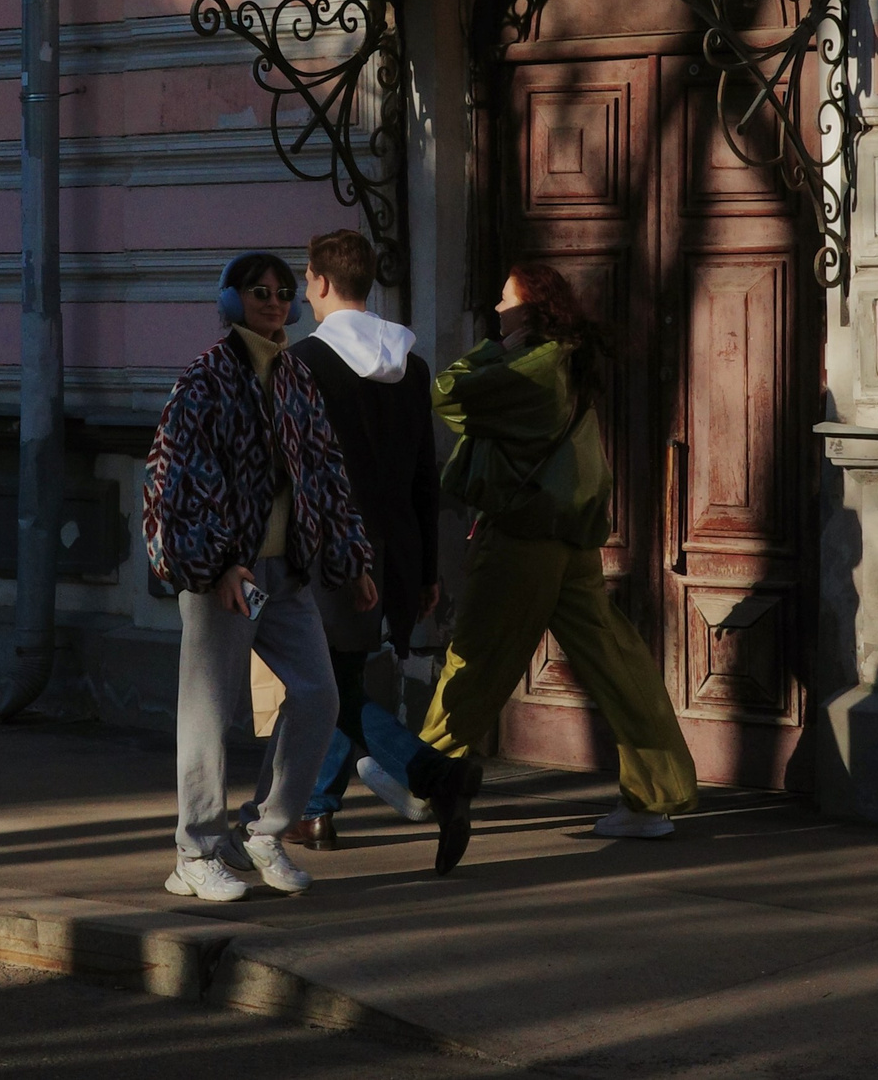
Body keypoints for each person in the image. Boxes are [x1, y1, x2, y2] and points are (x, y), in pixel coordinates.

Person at [418, 260, 699, 863]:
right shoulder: (559, 362)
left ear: (530, 309)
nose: (495, 311)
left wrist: (496, 348)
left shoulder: (531, 369)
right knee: (614, 660)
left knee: (477, 654)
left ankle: (422, 770)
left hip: (525, 536)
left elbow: (447, 391)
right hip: (568, 539)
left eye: (503, 300)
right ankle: (655, 795)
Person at [142, 250, 379, 903]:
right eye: (258, 291)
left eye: (281, 291)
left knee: (318, 695)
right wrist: (217, 562)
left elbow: (327, 470)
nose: (273, 301)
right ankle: (195, 850)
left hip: (289, 569)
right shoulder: (206, 379)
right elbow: (177, 475)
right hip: (228, 570)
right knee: (209, 712)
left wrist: (353, 557)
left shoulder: (296, 377)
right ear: (231, 299)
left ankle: (263, 828)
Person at [268, 229, 478, 856]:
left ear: (323, 282)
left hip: (327, 549)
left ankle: (433, 774)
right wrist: (426, 568)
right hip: (395, 547)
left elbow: (292, 468)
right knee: (341, 675)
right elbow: (423, 471)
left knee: (328, 686)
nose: (304, 292)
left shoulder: (301, 363)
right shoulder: (409, 365)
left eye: (305, 281)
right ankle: (316, 808)